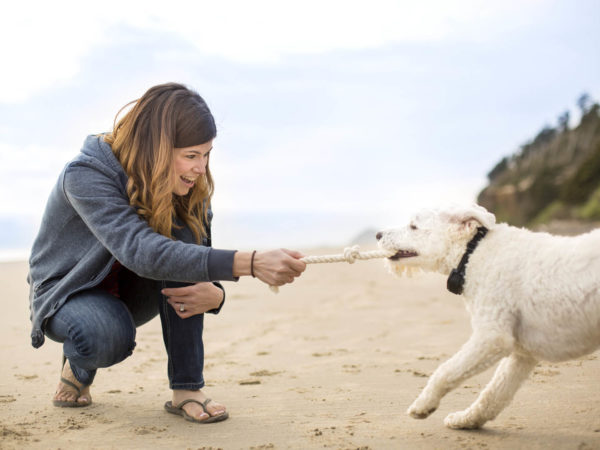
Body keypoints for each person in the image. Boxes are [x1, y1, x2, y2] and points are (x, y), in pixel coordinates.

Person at [27, 82, 306, 424]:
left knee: (181, 236)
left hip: (133, 290)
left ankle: (187, 390)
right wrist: (249, 263)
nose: (201, 167)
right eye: (191, 155)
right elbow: (141, 250)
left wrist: (215, 295)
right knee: (104, 336)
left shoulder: (188, 184)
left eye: (206, 154)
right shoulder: (86, 174)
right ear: (154, 149)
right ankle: (79, 364)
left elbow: (194, 260)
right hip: (68, 291)